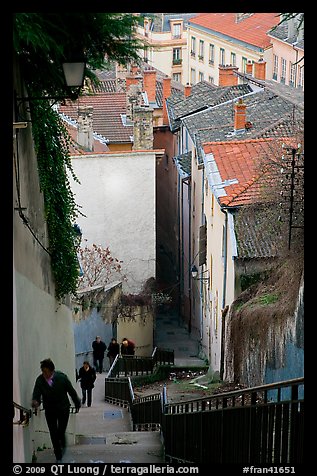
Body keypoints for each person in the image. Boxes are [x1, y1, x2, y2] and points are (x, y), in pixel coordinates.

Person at [31, 358, 81, 463]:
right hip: (50, 410)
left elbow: (71, 391)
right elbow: (36, 394)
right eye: (42, 371)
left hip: (63, 409)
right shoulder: (40, 380)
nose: (44, 374)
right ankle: (58, 456)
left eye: (46, 371)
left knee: (60, 431)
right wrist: (35, 402)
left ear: (52, 370)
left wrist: (77, 403)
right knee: (53, 433)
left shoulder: (61, 378)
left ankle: (63, 445)